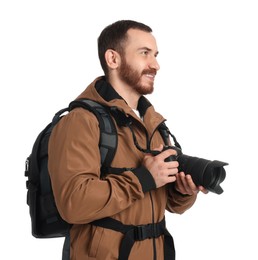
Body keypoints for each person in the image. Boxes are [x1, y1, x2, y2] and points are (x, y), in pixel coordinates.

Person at [48, 20, 208, 260]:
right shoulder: (81, 121)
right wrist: (143, 178)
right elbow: (73, 203)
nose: (155, 65)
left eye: (155, 55)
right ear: (113, 59)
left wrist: (183, 192)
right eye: (144, 53)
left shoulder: (153, 124)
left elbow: (169, 204)